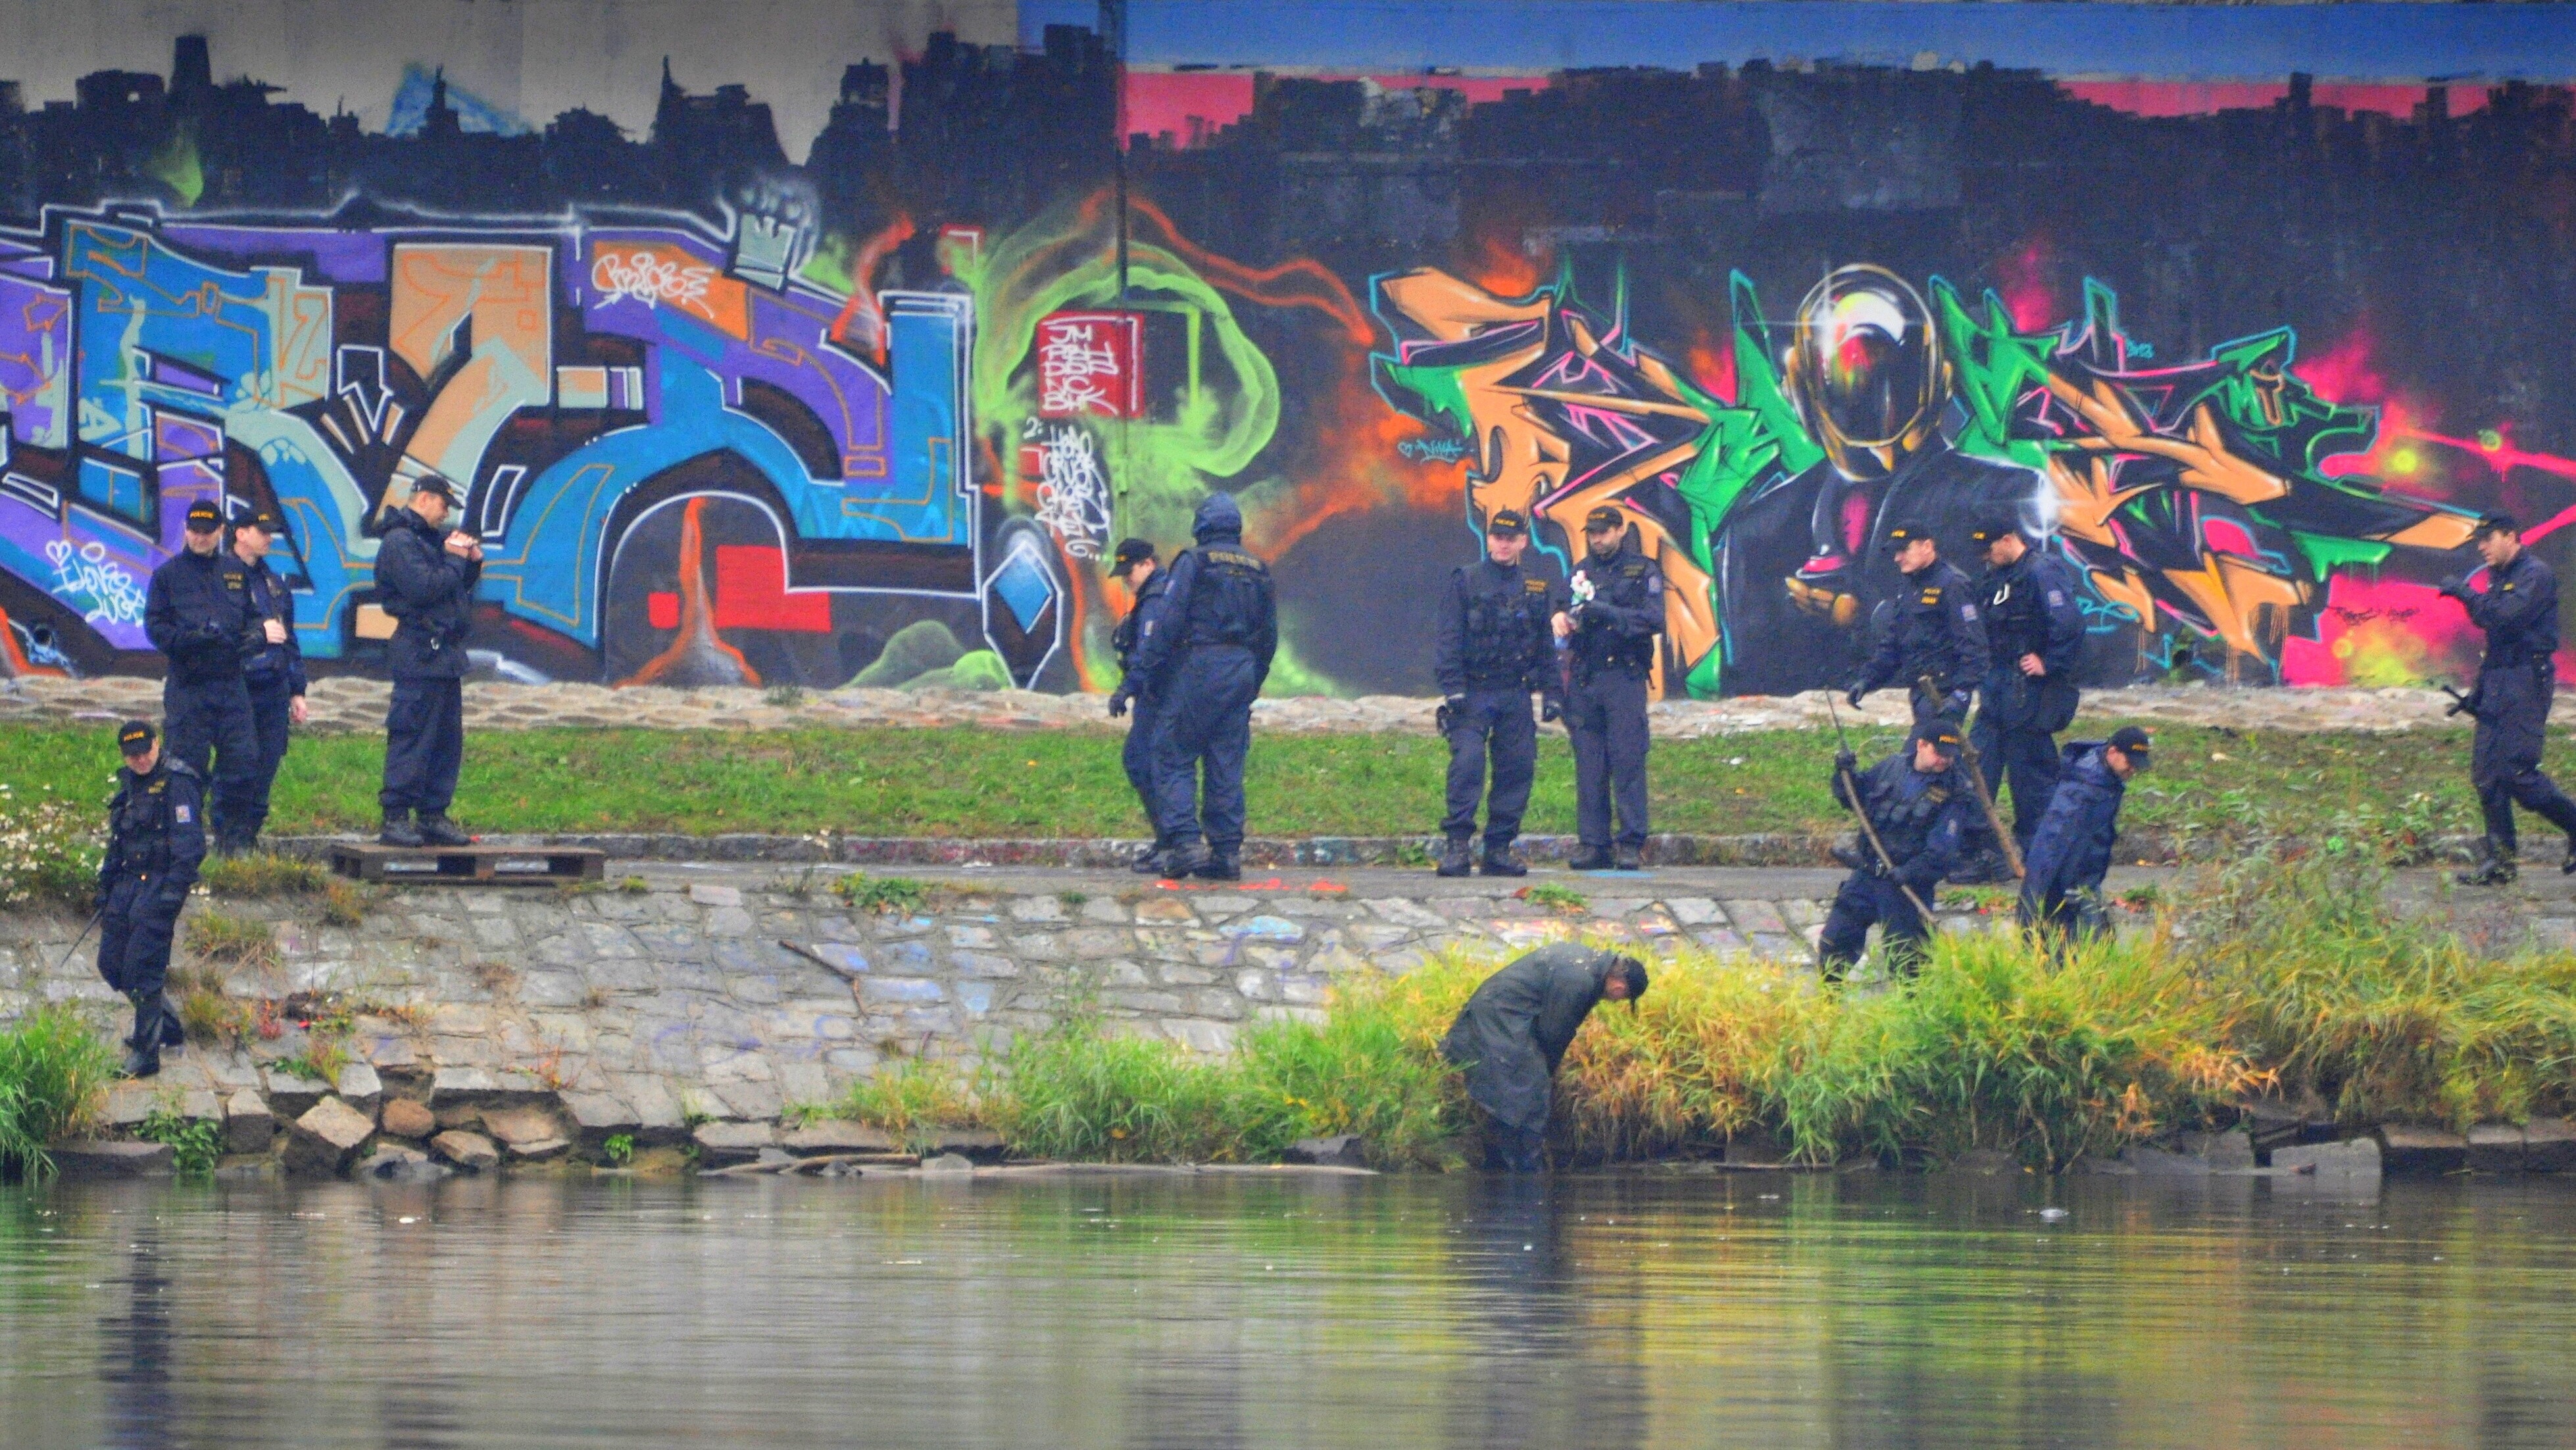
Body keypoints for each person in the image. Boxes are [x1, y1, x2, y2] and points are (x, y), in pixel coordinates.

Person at [1129, 493, 1276, 881]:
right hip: (1241, 670)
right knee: (1225, 761)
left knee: (1172, 752)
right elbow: (1269, 636)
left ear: (1202, 526)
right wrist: (1252, 681)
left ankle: (1186, 844)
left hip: (1200, 666)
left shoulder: (1194, 562)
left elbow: (1168, 622)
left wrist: (1141, 675)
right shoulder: (1258, 568)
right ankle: (1226, 853)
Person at [2442, 512, 2576, 885]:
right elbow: (2497, 640)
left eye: (2488, 538)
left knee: (2517, 773)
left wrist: (2464, 593)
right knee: (2487, 776)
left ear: (2511, 536)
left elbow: (2503, 618)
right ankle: (2500, 864)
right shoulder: (2499, 576)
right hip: (2500, 677)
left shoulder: (2535, 574)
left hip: (2526, 680)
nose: (2481, 547)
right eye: (2479, 540)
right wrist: (2478, 692)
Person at [1440, 944, 1649, 1170]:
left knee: (1524, 1090)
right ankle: (1525, 1170)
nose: (1616, 1000)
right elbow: (1554, 1032)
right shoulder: (1579, 980)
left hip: (1504, 1013)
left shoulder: (1587, 964)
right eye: (1623, 997)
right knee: (1530, 1095)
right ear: (1620, 987)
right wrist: (1548, 1070)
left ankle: (1503, 1167)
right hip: (1500, 1017)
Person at [1434, 508, 1562, 878]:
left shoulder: (1534, 588)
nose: (1503, 544)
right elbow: (1449, 638)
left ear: (1522, 542)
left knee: (1517, 769)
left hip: (1514, 692)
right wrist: (1453, 688)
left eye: (1511, 538)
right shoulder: (1466, 580)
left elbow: (1545, 645)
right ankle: (1458, 847)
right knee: (1467, 765)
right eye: (1497, 537)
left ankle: (1498, 849)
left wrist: (1552, 692)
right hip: (1473, 692)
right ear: (1489, 539)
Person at [1961, 515, 2087, 882]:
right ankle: (1984, 852)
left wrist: (2050, 662)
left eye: (1989, 548)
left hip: (2028, 692)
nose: (1985, 556)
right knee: (1978, 769)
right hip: (1997, 689)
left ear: (2009, 538)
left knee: (2031, 778)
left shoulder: (2041, 571)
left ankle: (2039, 857)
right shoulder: (1996, 577)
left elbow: (2069, 624)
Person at [1818, 717, 1976, 982]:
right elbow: (1853, 799)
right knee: (1836, 942)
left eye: (1950, 756)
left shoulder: (1955, 792)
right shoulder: (1892, 767)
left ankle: (1914, 1008)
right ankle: (1828, 998)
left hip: (1905, 886)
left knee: (1909, 964)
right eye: (1939, 753)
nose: (1945, 761)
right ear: (1921, 745)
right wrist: (1844, 773)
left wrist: (1909, 873)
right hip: (1867, 875)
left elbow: (1942, 853)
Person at [143, 499, 260, 849]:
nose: (200, 538)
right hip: (189, 686)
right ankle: (185, 841)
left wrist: (254, 637)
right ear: (186, 530)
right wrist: (190, 639)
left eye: (207, 532)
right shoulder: (168, 575)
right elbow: (155, 627)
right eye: (195, 531)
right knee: (185, 768)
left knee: (242, 764)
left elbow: (254, 617)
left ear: (221, 532)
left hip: (231, 685)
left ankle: (233, 842)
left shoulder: (235, 572)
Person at [374, 474, 482, 848]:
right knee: (412, 734)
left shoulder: (430, 540)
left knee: (446, 740)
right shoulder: (400, 541)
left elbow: (452, 588)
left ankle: (433, 814)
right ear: (423, 499)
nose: (446, 513)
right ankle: (395, 816)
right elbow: (424, 589)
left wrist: (470, 565)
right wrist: (454, 559)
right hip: (419, 651)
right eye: (443, 504)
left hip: (445, 656)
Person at [1556, 505, 1664, 870]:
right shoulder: (1580, 571)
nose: (1597, 539)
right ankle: (1593, 843)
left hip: (1624, 676)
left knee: (1627, 759)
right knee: (1590, 764)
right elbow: (1562, 607)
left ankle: (1631, 842)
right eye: (1592, 533)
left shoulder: (1642, 570)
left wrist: (1607, 611)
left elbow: (1654, 619)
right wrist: (1561, 617)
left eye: (1603, 532)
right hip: (1587, 677)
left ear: (1620, 531)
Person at [97, 720, 206, 1079]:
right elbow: (119, 840)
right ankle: (167, 1027)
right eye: (133, 755)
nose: (141, 760)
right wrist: (105, 884)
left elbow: (190, 845)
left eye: (146, 751)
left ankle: (146, 1055)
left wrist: (172, 893)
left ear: (157, 744)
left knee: (142, 970)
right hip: (127, 883)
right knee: (111, 964)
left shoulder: (178, 782)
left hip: (159, 885)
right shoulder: (129, 783)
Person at [2018, 726, 2152, 943]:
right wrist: (2064, 888)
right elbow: (2057, 842)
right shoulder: (2085, 788)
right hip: (2068, 882)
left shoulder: (2105, 779)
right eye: (2130, 762)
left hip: (2086, 878)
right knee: (2085, 942)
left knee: (2098, 941)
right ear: (2113, 752)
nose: (2133, 770)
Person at [224, 510, 308, 854]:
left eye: (270, 532)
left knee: (267, 762)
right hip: (238, 685)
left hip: (274, 686)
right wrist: (257, 634)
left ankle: (249, 835)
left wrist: (298, 690)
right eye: (262, 532)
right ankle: (230, 838)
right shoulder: (222, 577)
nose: (268, 538)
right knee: (238, 762)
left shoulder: (273, 583)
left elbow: (290, 639)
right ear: (241, 533)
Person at [1845, 522, 1985, 723]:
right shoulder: (1910, 586)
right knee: (1928, 743)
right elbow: (1895, 641)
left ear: (1927, 546)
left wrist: (1961, 693)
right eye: (1896, 552)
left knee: (1926, 744)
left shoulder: (1953, 584)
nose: (1897, 558)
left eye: (1904, 550)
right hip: (1920, 689)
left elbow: (1974, 645)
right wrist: (1868, 679)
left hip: (1944, 691)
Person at [1104, 538, 1173, 872]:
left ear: (1148, 564)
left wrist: (1125, 690)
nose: (1126, 581)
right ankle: (1168, 841)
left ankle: (1172, 844)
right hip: (1156, 696)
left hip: (1160, 696)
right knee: (1148, 764)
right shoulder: (1155, 595)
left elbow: (1150, 654)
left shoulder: (1157, 599)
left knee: (1145, 763)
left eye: (1129, 572)